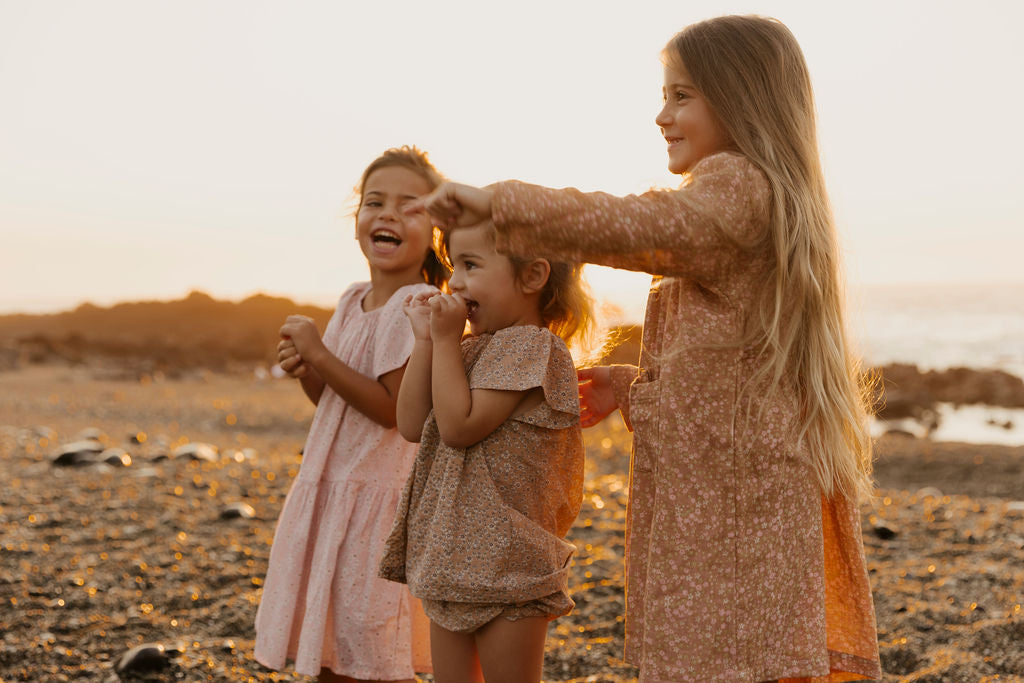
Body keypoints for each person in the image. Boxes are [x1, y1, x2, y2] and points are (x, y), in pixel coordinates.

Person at [407, 15, 882, 682]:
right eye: (665, 95)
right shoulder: (745, 201)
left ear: (743, 97)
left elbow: (638, 224)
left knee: (728, 660)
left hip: (733, 513)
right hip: (728, 496)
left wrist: (500, 204)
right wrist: (633, 386)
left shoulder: (737, 188)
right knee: (735, 658)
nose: (662, 115)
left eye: (682, 95)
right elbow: (732, 372)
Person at [254, 146, 447, 683]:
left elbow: (390, 411)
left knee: (369, 641)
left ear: (436, 228)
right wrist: (308, 369)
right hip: (332, 482)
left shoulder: (417, 303)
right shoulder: (351, 299)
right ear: (356, 220)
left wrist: (319, 354)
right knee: (334, 640)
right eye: (374, 202)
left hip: (376, 494)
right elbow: (335, 404)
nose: (387, 214)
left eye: (410, 206)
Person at [377, 221, 593, 683]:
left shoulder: (534, 348)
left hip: (510, 566)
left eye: (472, 266)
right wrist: (425, 340)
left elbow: (459, 427)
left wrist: (446, 342)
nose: (454, 282)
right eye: (454, 266)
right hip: (450, 557)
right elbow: (414, 424)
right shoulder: (471, 349)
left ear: (532, 277)